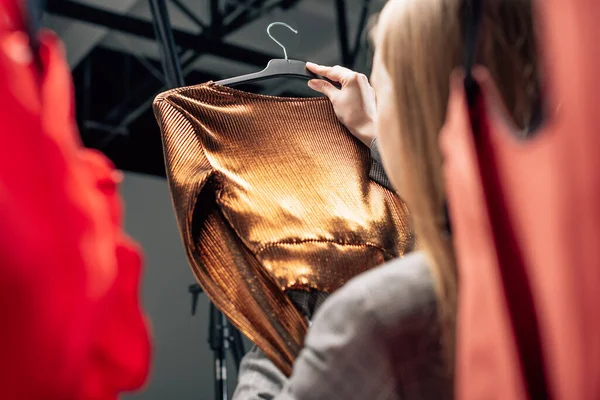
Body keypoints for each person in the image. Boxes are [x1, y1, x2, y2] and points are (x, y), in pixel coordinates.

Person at [232, 0, 539, 398]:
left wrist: (269, 321)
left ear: (412, 114)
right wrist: (374, 133)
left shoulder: (376, 315)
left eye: (383, 91)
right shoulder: (550, 263)